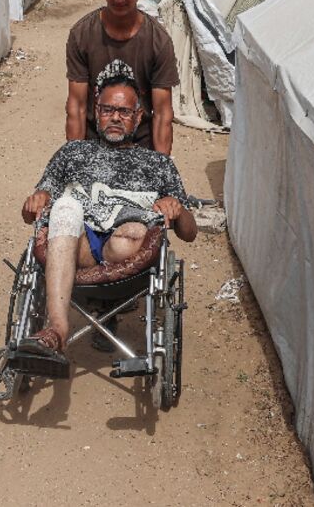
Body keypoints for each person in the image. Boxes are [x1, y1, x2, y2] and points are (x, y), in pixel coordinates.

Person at [18, 74, 197, 372]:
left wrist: (177, 208)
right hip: (77, 245)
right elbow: (31, 216)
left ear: (138, 117)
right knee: (64, 206)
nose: (115, 117)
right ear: (96, 112)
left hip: (127, 251)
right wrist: (37, 199)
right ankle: (57, 330)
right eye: (107, 110)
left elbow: (189, 233)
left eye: (124, 111)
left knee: (135, 230)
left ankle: (102, 308)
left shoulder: (158, 164)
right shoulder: (73, 152)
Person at [66, 0, 180, 155]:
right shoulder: (82, 35)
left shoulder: (158, 41)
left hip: (140, 147)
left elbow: (162, 113)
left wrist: (161, 166)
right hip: (94, 144)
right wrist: (75, 159)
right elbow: (77, 106)